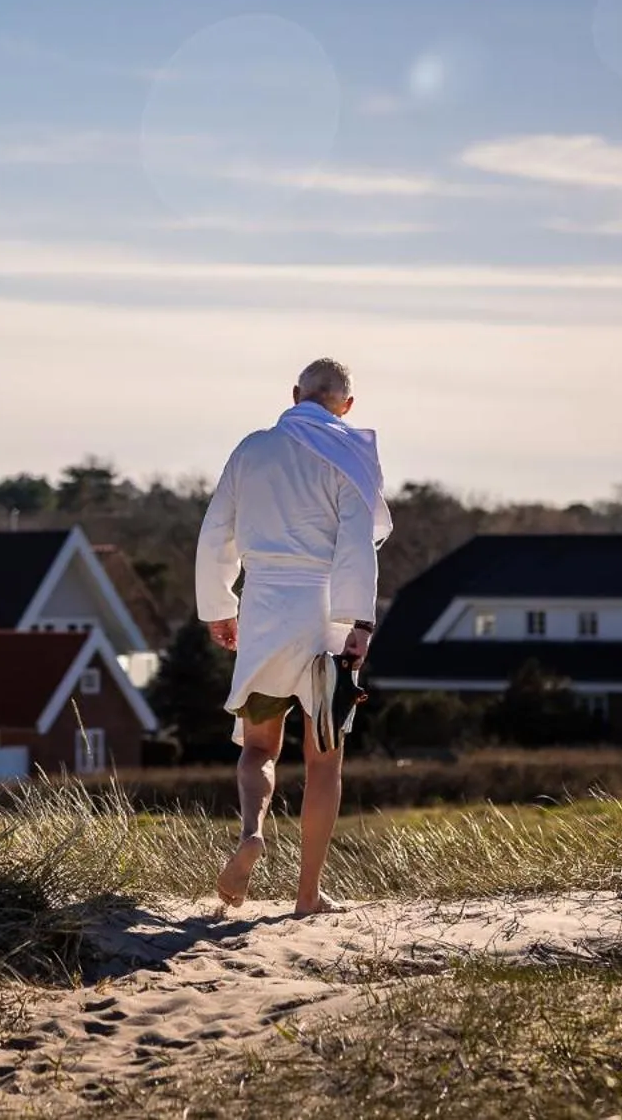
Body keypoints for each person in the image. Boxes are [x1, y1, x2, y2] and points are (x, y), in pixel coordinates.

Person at [195, 358, 393, 916]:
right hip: (326, 612)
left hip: (263, 609)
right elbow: (356, 544)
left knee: (258, 746)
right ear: (346, 406)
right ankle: (307, 895)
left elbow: (217, 533)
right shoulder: (348, 456)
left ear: (294, 394)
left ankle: (251, 835)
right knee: (324, 760)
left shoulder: (252, 449)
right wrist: (361, 623)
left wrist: (219, 607)